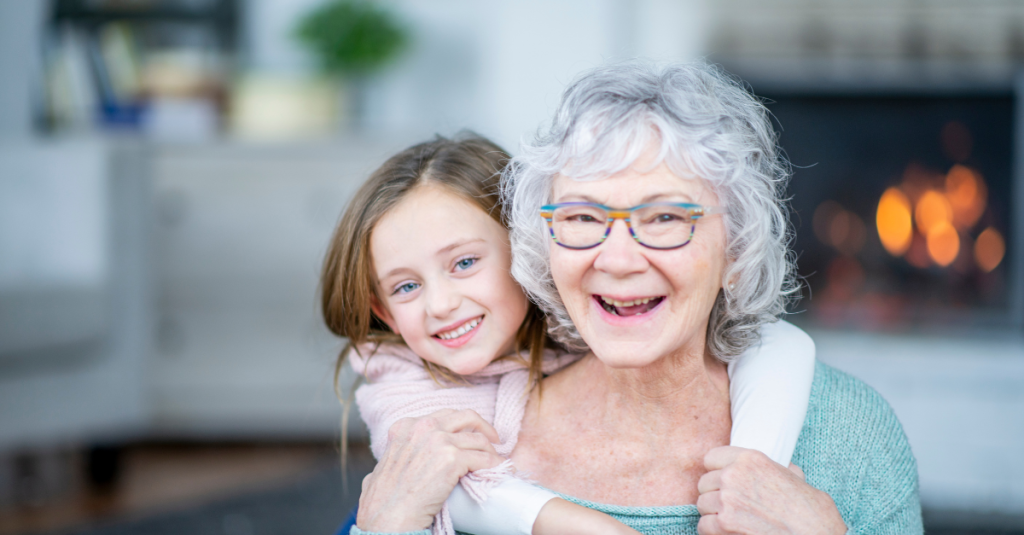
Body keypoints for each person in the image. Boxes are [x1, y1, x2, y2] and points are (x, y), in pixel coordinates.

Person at [320, 133, 818, 535]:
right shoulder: (400, 386)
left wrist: (752, 478)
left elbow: (779, 342)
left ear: (527, 248)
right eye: (406, 287)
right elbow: (469, 493)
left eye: (465, 262)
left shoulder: (580, 324)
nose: (441, 303)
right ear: (381, 310)